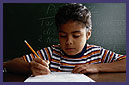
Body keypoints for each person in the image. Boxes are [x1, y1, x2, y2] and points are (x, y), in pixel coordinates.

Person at [3, 3, 126, 76]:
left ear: (88, 34)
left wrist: (97, 67)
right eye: (63, 35)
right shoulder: (51, 53)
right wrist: (30, 67)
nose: (69, 41)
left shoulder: (97, 53)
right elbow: (9, 65)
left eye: (76, 35)